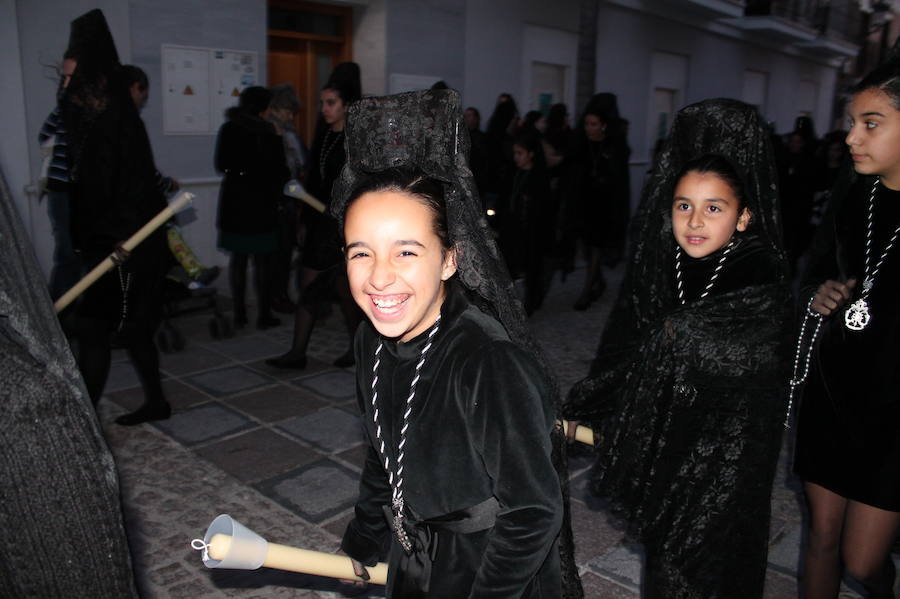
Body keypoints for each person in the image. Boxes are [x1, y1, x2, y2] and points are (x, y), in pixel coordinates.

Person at [333, 89, 583, 599]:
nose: (380, 278)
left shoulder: (487, 361)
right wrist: (361, 543)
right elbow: (385, 455)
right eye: (361, 253)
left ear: (449, 259)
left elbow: (534, 512)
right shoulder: (371, 339)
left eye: (406, 251)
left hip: (489, 567)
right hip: (418, 555)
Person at [563, 99, 792, 598]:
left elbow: (754, 365)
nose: (694, 220)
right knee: (664, 561)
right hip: (673, 450)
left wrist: (682, 337)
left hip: (725, 464)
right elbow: (634, 349)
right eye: (683, 205)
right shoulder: (673, 264)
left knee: (695, 571)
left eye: (714, 208)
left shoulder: (760, 274)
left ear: (745, 217)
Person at [793, 43, 900, 599]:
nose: (852, 137)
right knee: (822, 536)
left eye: (871, 123)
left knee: (862, 562)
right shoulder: (856, 198)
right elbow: (814, 273)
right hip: (833, 391)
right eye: (851, 123)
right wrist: (819, 293)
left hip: (894, 417)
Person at [62, 9, 172, 426]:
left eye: (71, 76)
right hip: (108, 246)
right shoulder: (94, 122)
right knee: (127, 330)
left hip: (124, 250)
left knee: (98, 329)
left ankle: (83, 423)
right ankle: (154, 402)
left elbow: (129, 191)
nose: (65, 85)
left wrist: (113, 239)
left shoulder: (113, 123)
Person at [266, 62, 363, 369]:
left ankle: (358, 350)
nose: (324, 108)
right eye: (322, 103)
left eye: (331, 103)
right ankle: (297, 352)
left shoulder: (356, 141)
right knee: (309, 287)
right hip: (319, 225)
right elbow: (313, 183)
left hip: (343, 227)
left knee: (346, 293)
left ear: (347, 105)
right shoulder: (323, 136)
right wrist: (304, 220)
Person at [214, 86, 288, 330]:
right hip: (261, 204)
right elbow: (280, 171)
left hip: (235, 203)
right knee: (263, 263)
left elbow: (220, 164)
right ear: (264, 108)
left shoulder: (228, 128)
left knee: (238, 260)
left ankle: (239, 313)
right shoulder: (269, 132)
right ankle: (264, 314)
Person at [563, 93, 631, 310]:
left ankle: (587, 290)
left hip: (604, 206)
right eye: (586, 123)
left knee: (596, 247)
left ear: (603, 125)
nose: (588, 128)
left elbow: (618, 180)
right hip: (584, 204)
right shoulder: (581, 144)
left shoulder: (614, 146)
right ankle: (598, 281)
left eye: (593, 124)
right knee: (586, 246)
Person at [39, 51, 80, 302]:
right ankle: (58, 318)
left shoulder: (94, 111)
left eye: (70, 78)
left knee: (79, 255)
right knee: (67, 255)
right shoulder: (65, 109)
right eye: (63, 78)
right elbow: (44, 136)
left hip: (77, 192)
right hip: (62, 190)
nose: (65, 84)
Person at [500, 130, 553, 314]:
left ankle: (531, 300)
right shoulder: (513, 173)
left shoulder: (538, 177)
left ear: (531, 154)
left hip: (531, 230)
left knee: (532, 265)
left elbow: (543, 207)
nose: (516, 157)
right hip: (513, 228)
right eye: (515, 153)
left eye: (520, 153)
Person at [266, 83, 309, 313]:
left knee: (287, 251)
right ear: (274, 108)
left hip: (293, 198)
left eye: (292, 112)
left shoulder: (291, 133)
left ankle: (281, 294)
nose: (290, 116)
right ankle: (276, 296)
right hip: (278, 200)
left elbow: (302, 162)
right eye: (286, 111)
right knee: (278, 253)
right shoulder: (271, 131)